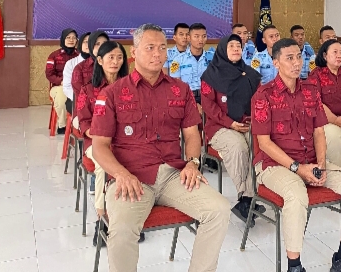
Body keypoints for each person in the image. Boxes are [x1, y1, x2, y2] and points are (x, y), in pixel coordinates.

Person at [90, 24, 230, 272]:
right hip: (131, 177)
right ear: (134, 52)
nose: (157, 53)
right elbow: (99, 146)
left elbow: (192, 135)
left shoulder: (180, 89)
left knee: (219, 210)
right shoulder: (112, 93)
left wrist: (193, 163)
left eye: (162, 48)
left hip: (173, 175)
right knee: (122, 231)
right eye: (150, 48)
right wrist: (121, 174)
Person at [252, 38, 341, 272]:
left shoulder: (310, 91)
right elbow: (264, 143)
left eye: (299, 57)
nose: (297, 63)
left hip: (311, 161)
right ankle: (294, 265)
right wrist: (297, 168)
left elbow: (319, 132)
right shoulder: (263, 95)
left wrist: (321, 164)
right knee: (297, 196)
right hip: (274, 165)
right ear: (276, 63)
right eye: (289, 58)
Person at [200, 34, 264, 225]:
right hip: (219, 126)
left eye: (238, 46)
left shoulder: (251, 74)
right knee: (238, 147)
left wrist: (252, 120)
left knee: (260, 145)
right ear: (222, 50)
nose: (236, 49)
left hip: (247, 124)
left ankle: (249, 198)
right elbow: (209, 107)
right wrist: (230, 123)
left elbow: (259, 101)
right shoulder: (210, 76)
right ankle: (247, 197)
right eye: (231, 46)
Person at [75, 40, 129, 245]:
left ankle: (129, 218)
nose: (115, 62)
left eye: (119, 57)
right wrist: (105, 136)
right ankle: (102, 219)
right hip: (96, 143)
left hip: (125, 141)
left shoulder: (130, 87)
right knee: (103, 165)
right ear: (99, 60)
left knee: (138, 160)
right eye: (111, 57)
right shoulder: (88, 90)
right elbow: (84, 123)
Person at [309, 39, 341, 174]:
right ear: (325, 56)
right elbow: (316, 102)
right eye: (335, 52)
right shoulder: (316, 75)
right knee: (335, 138)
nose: (339, 56)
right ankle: (340, 174)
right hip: (328, 121)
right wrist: (336, 120)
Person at [45, 28, 79, 134]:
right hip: (59, 86)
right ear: (63, 39)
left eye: (74, 38)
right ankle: (63, 125)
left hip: (76, 86)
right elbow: (49, 74)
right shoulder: (54, 55)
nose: (71, 40)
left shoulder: (80, 55)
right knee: (61, 97)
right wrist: (61, 81)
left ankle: (80, 124)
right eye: (68, 37)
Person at [174, 23, 215, 107]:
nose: (201, 40)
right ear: (189, 38)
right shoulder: (177, 60)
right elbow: (176, 85)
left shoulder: (213, 58)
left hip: (209, 97)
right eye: (196, 36)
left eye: (204, 36)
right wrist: (193, 104)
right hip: (187, 98)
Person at [72, 31, 110, 106]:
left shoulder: (114, 65)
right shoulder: (80, 68)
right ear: (90, 46)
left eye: (105, 44)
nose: (101, 47)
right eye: (97, 44)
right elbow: (79, 97)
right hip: (88, 108)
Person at [63, 31, 90, 116]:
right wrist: (81, 99)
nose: (88, 45)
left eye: (92, 42)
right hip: (75, 99)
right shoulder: (71, 63)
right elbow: (67, 87)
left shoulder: (100, 62)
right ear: (80, 44)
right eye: (85, 42)